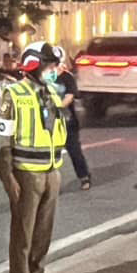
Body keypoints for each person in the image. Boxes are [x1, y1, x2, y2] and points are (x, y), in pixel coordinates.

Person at [0, 42, 68, 273]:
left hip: (50, 171)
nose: (53, 70)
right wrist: (8, 177)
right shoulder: (13, 94)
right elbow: (4, 140)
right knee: (23, 236)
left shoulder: (51, 92)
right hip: (26, 173)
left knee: (42, 235)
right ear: (34, 65)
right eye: (48, 65)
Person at [51, 46, 92, 190]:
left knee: (74, 151)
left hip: (67, 121)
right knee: (50, 155)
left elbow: (70, 96)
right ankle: (51, 184)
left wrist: (58, 106)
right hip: (50, 123)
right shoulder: (45, 78)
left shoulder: (67, 77)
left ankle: (84, 176)